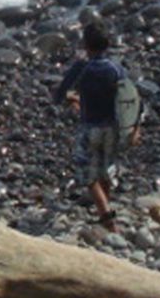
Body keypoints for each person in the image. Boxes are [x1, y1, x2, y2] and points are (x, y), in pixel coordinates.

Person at [53, 21, 133, 231]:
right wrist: (135, 127)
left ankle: (107, 218)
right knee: (106, 169)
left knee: (87, 175)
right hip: (113, 126)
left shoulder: (82, 67)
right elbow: (131, 98)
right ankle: (105, 207)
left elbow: (60, 93)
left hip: (90, 126)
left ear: (86, 44)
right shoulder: (116, 68)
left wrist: (73, 99)